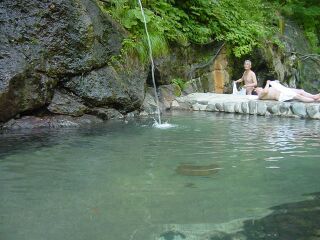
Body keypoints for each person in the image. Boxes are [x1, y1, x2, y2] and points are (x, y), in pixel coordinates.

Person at [254, 80, 320, 103]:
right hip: (281, 95)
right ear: (256, 91)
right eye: (258, 88)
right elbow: (265, 91)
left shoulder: (265, 88)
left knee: (301, 91)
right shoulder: (260, 95)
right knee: (298, 96)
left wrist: (275, 82)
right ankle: (315, 100)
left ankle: (313, 96)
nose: (259, 87)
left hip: (284, 90)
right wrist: (268, 83)